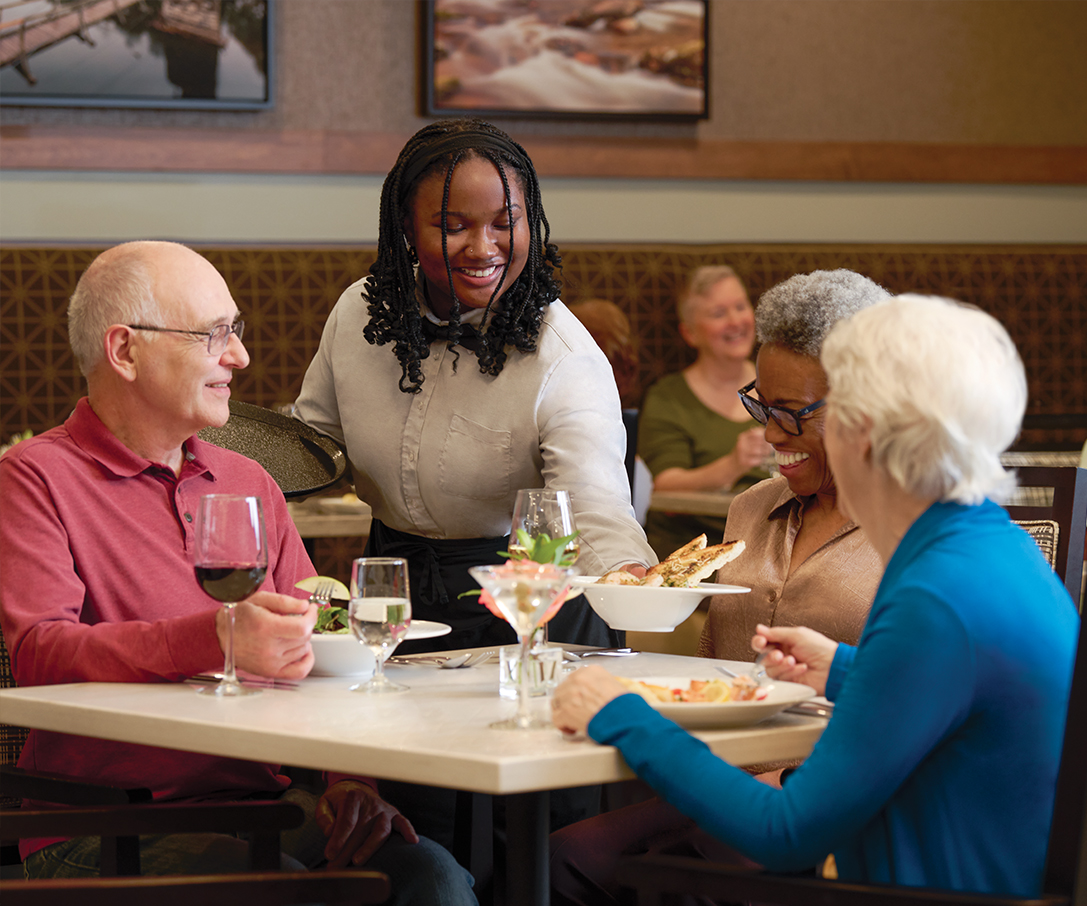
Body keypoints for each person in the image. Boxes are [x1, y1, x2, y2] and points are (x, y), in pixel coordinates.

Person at [551, 294, 1078, 902]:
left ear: (864, 433)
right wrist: (847, 668)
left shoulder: (936, 598)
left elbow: (786, 832)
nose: (777, 436)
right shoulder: (991, 548)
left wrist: (619, 713)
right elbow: (958, 696)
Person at [0, 241, 475, 903]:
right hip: (103, 823)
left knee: (431, 878)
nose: (239, 356)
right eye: (212, 335)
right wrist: (218, 636)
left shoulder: (248, 480)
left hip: (266, 806)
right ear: (124, 350)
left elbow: (325, 646)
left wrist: (350, 785)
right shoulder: (34, 478)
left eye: (236, 331)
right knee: (275, 890)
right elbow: (38, 655)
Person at [295, 118, 655, 656]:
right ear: (407, 227)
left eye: (504, 222)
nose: (482, 247)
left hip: (527, 608)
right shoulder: (360, 313)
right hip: (395, 600)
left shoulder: (566, 357)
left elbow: (593, 509)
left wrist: (632, 579)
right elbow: (311, 446)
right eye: (453, 225)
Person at [697, 269, 889, 662]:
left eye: (788, 413)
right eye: (762, 407)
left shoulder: (920, 532)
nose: (770, 434)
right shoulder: (750, 510)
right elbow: (709, 662)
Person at [638, 266, 772, 561]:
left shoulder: (779, 383)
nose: (736, 321)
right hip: (695, 552)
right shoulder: (669, 398)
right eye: (718, 313)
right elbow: (666, 485)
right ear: (690, 333)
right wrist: (732, 465)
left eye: (740, 306)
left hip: (772, 545)